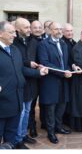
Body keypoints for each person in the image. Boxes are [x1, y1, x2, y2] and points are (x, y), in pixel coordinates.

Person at [0, 21, 47, 148]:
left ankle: (15, 144)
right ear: (0, 34)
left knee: (11, 135)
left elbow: (21, 69)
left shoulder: (14, 50)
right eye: (10, 32)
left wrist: (39, 73)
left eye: (14, 32)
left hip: (17, 99)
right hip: (2, 103)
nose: (14, 35)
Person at [13, 18, 48, 149]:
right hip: (20, 84)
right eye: (26, 28)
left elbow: (32, 59)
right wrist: (35, 71)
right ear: (17, 29)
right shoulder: (13, 43)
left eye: (29, 27)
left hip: (32, 84)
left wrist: (39, 66)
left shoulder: (33, 41)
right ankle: (17, 140)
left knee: (27, 111)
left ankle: (23, 135)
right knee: (20, 113)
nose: (29, 30)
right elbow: (17, 64)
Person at [37, 22, 72, 144]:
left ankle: (59, 127)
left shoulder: (63, 43)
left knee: (61, 106)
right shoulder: (43, 44)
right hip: (50, 82)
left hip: (63, 82)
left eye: (60, 29)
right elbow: (45, 63)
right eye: (56, 29)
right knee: (50, 109)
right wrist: (63, 72)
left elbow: (65, 61)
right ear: (50, 30)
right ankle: (50, 132)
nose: (59, 31)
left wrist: (68, 70)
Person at [28, 20, 46, 138]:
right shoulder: (29, 41)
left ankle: (44, 123)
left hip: (45, 77)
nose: (38, 29)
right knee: (32, 105)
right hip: (33, 77)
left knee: (44, 102)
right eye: (35, 27)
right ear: (31, 29)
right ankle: (32, 127)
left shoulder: (45, 40)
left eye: (40, 27)